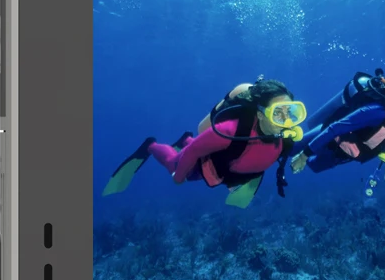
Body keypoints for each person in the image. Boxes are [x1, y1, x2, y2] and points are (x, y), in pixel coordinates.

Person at [102, 79, 307, 208]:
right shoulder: (231, 131)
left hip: (228, 168)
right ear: (260, 114)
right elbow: (194, 151)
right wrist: (178, 177)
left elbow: (261, 158)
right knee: (173, 163)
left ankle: (185, 138)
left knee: (199, 144)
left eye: (290, 112)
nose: (286, 121)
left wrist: (304, 156)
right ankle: (151, 146)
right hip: (204, 163)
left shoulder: (286, 137)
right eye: (277, 113)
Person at [289, 61, 385, 185]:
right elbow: (335, 128)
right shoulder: (377, 112)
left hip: (342, 154)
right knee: (289, 148)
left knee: (314, 166)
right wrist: (304, 155)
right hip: (327, 136)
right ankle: (283, 132)